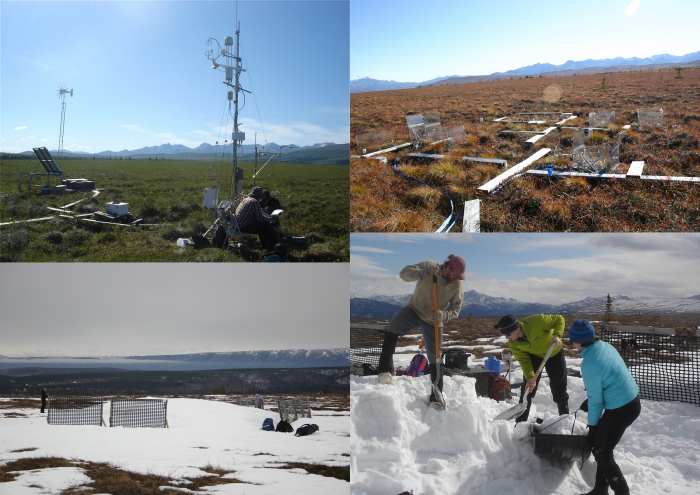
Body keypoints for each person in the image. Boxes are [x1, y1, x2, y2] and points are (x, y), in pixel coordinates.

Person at [376, 254, 466, 409]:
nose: (455, 278)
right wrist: (419, 273)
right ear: (447, 267)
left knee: (436, 357)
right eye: (454, 273)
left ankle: (436, 396)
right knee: (392, 328)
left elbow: (455, 309)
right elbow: (404, 273)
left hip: (433, 319)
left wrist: (444, 315)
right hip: (414, 309)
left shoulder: (457, 284)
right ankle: (385, 370)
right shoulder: (430, 266)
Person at [569, 319, 640, 495]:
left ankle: (622, 492)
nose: (571, 343)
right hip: (631, 400)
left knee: (601, 451)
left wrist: (593, 427)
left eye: (572, 339)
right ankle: (600, 489)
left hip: (621, 408)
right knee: (604, 448)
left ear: (579, 341)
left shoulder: (589, 363)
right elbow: (610, 375)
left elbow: (596, 401)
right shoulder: (604, 346)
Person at [494, 313, 569, 422]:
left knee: (559, 386)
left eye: (507, 334)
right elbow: (524, 360)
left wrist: (557, 335)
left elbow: (559, 319)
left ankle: (564, 418)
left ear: (515, 329)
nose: (507, 338)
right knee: (527, 389)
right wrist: (530, 377)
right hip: (536, 357)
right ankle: (520, 423)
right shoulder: (513, 343)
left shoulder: (537, 322)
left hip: (554, 353)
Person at [235, 186, 277, 252]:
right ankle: (272, 246)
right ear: (259, 196)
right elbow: (260, 219)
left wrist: (267, 218)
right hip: (244, 226)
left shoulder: (246, 199)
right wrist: (270, 219)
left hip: (237, 224)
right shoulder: (254, 202)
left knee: (262, 226)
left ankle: (264, 245)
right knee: (267, 226)